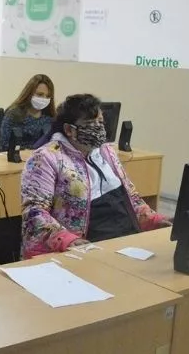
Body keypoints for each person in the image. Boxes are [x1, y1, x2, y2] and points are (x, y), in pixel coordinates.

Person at [20, 94, 169, 259]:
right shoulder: (46, 158)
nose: (98, 128)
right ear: (69, 130)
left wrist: (154, 219)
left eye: (100, 122)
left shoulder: (106, 151)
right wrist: (66, 240)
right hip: (83, 246)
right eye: (90, 124)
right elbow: (34, 212)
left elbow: (131, 197)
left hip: (126, 238)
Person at [0, 74, 56, 151]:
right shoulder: (14, 114)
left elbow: (54, 145)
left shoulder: (50, 117)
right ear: (29, 93)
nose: (44, 99)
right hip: (17, 157)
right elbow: (4, 146)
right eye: (40, 94)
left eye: (48, 96)